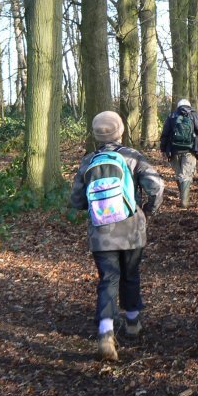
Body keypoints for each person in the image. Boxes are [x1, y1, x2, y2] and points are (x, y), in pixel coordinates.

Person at [70, 111, 165, 361]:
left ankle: (105, 333)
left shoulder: (88, 161)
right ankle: (133, 323)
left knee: (108, 280)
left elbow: (76, 200)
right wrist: (147, 211)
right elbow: (157, 186)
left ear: (96, 134)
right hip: (132, 229)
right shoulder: (133, 157)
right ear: (120, 131)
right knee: (130, 275)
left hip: (101, 233)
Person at [160, 99, 198, 208]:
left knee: (179, 174)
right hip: (190, 150)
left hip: (174, 150)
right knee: (186, 175)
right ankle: (184, 202)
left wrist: (163, 149)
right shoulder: (193, 114)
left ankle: (183, 198)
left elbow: (165, 134)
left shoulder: (172, 116)